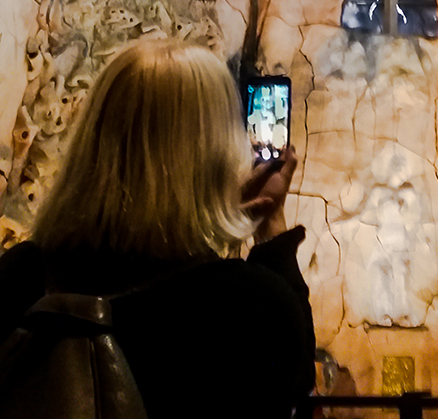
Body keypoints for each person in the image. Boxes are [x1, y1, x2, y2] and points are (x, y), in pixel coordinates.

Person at [0, 38, 315, 419]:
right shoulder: (248, 306)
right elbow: (295, 387)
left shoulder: (19, 276)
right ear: (215, 154)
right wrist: (271, 229)